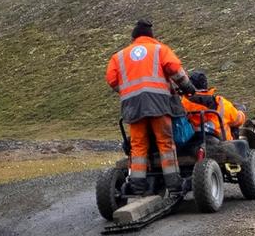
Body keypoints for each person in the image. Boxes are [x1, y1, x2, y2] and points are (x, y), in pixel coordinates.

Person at [105, 20, 196, 193]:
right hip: (159, 104)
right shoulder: (160, 50)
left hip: (133, 106)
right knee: (165, 143)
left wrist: (127, 91)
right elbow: (175, 69)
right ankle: (174, 184)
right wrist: (188, 88)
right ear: (151, 36)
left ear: (134, 37)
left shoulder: (119, 56)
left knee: (138, 145)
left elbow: (111, 79)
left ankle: (137, 186)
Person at [181, 71, 247, 141]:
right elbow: (238, 121)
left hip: (191, 143)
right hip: (223, 143)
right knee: (234, 126)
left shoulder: (182, 103)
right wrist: (241, 112)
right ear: (206, 85)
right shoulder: (220, 102)